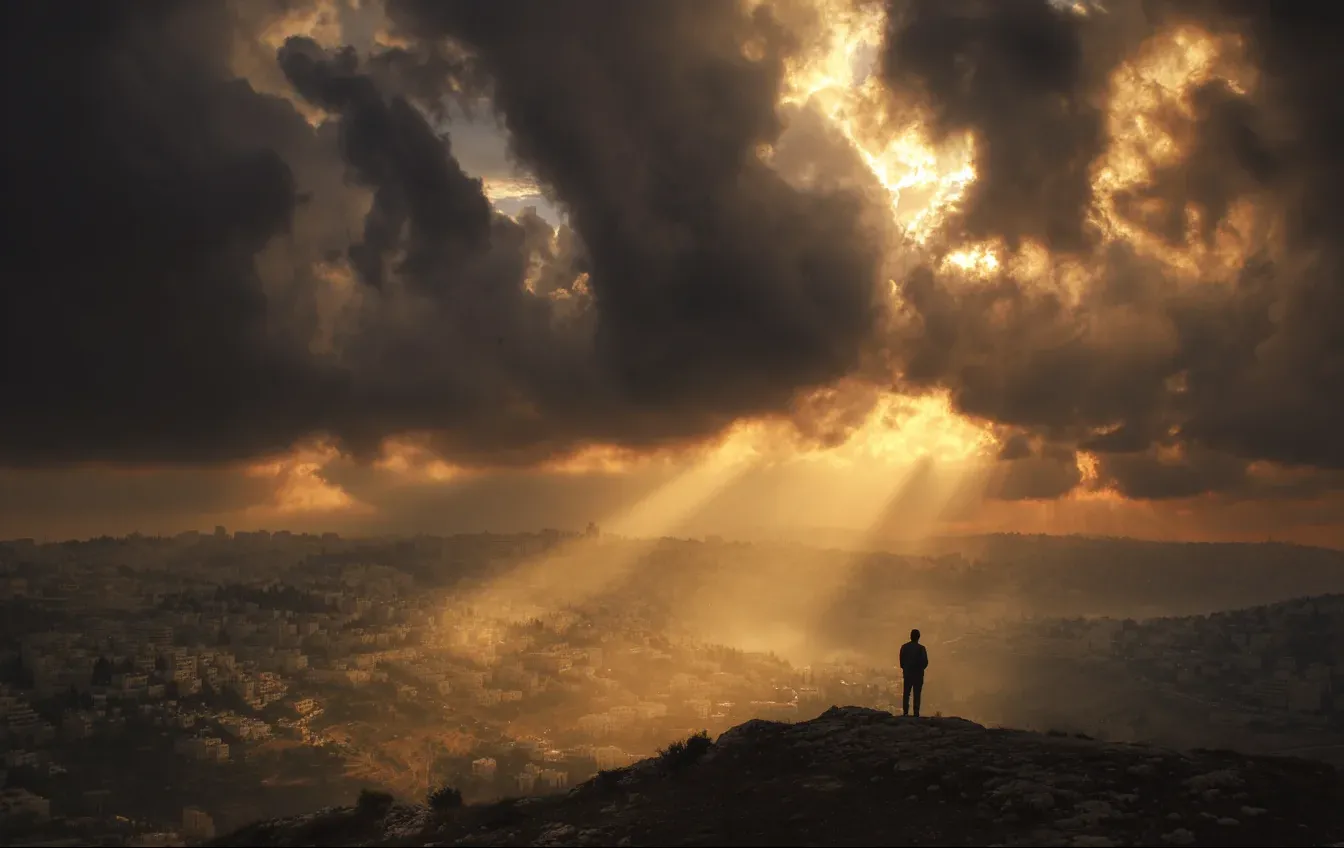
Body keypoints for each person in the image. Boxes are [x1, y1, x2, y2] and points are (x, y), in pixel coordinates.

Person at [899, 628, 929, 717]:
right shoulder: (921, 649)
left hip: (908, 674)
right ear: (918, 637)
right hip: (918, 675)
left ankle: (905, 712)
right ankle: (916, 713)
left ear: (910, 636)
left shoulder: (904, 647)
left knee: (906, 693)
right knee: (917, 694)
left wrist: (906, 668)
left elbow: (901, 662)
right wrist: (919, 669)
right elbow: (925, 662)